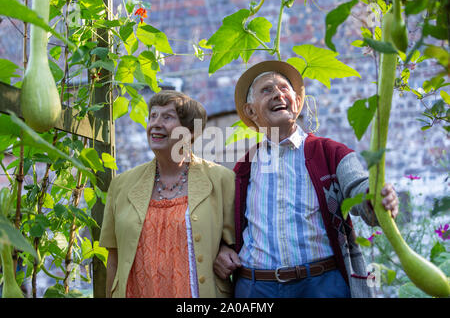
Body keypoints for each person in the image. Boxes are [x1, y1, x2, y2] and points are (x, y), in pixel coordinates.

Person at [213, 60, 399, 298]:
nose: (278, 95)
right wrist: (221, 248)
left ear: (298, 103)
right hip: (257, 288)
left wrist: (375, 198)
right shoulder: (243, 169)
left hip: (322, 284)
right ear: (251, 111)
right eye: (267, 90)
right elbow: (223, 225)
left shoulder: (330, 153)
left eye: (284, 88)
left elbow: (359, 187)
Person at [99, 90, 235, 298]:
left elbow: (240, 244)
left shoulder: (221, 180)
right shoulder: (121, 186)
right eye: (152, 116)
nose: (155, 123)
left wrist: (226, 250)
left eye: (167, 117)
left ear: (189, 131)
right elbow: (114, 259)